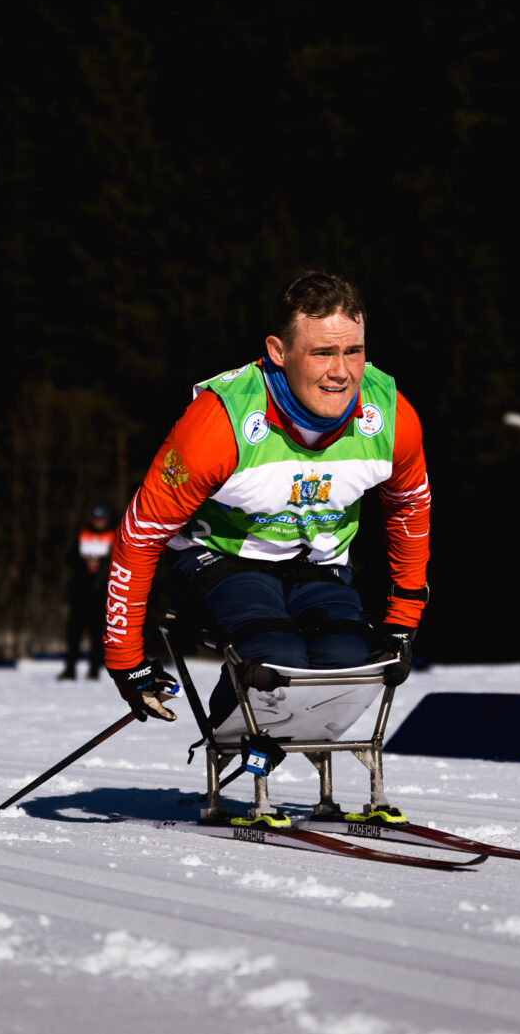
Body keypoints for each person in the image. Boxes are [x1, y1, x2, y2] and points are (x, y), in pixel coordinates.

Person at [102, 268, 430, 742]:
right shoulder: (219, 424)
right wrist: (125, 660)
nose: (342, 372)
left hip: (317, 562)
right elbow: (140, 533)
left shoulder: (392, 416)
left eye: (353, 351)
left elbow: (409, 509)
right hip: (221, 557)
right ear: (278, 351)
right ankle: (233, 741)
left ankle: (291, 745)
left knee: (349, 663)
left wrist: (403, 619)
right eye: (322, 353)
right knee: (275, 658)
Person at [59, 504, 115, 681]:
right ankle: (70, 669)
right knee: (73, 632)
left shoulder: (113, 536)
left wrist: (101, 564)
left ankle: (94, 670)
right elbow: (70, 558)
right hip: (80, 590)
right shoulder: (82, 534)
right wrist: (85, 563)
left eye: (101, 518)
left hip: (100, 592)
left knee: (96, 633)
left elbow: (115, 561)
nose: (98, 522)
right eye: (96, 518)